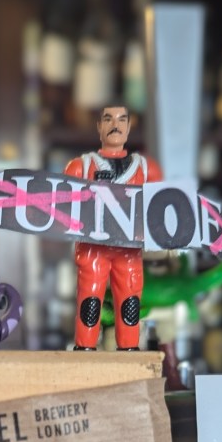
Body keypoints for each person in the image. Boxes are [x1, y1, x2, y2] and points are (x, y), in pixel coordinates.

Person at [64, 105, 162, 350]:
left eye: (121, 120)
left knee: (130, 301)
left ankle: (128, 350)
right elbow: (63, 206)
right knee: (89, 300)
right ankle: (85, 348)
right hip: (93, 248)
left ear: (128, 127)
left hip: (128, 249)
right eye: (108, 119)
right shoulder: (81, 167)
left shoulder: (146, 169)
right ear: (99, 127)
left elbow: (161, 207)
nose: (115, 125)